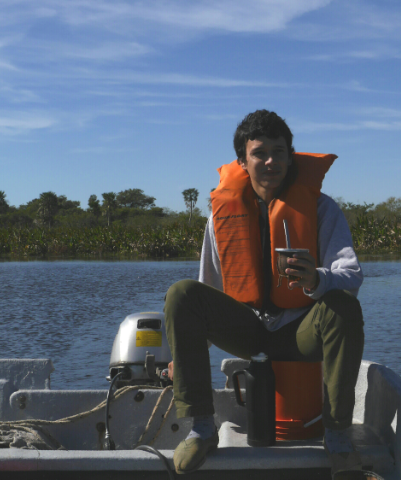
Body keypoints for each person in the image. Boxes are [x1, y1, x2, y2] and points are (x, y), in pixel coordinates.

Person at [164, 109, 365, 476]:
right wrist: (185, 354)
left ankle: (337, 436)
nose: (271, 161)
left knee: (342, 306)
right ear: (243, 160)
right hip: (249, 332)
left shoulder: (322, 209)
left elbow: (350, 274)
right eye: (260, 153)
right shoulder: (220, 215)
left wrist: (316, 279)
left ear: (290, 156)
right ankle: (202, 429)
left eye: (280, 151)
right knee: (182, 294)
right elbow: (209, 288)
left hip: (302, 331)